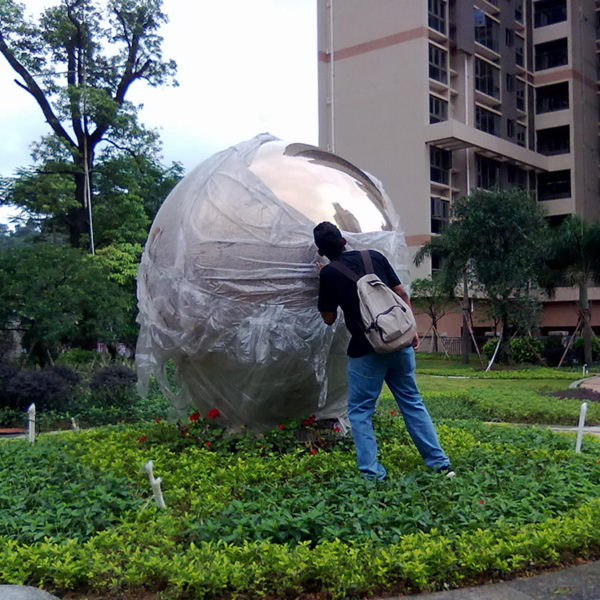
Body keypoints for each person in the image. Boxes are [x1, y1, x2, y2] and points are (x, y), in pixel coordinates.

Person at [313, 221, 455, 480]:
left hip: (367, 351)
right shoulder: (374, 257)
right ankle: (440, 464)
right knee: (412, 403)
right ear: (345, 240)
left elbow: (328, 318)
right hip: (399, 343)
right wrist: (410, 329)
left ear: (321, 251)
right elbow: (401, 293)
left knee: (360, 412)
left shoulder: (329, 274)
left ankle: (372, 474)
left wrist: (325, 279)